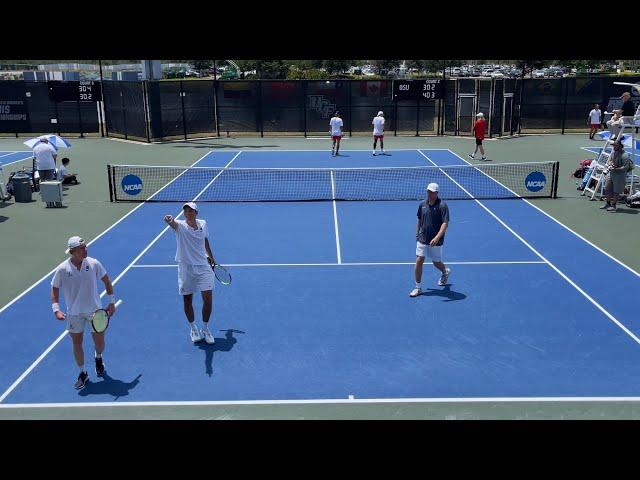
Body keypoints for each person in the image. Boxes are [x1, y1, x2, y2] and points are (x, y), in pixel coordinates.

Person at [50, 236, 117, 390]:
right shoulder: (62, 269)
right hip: (74, 314)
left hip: (95, 313)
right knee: (77, 343)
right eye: (82, 248)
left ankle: (98, 357)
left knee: (99, 344)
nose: (86, 249)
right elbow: (54, 287)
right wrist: (56, 309)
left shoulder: (94, 263)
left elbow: (107, 280)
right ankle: (82, 373)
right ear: (72, 251)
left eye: (86, 247)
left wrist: (112, 302)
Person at [164, 202, 217, 344]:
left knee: (208, 300)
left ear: (196, 213)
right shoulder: (179, 226)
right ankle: (193, 328)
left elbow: (205, 241)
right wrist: (169, 220)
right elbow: (172, 223)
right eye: (185, 211)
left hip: (203, 267)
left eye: (191, 211)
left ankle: (205, 328)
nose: (188, 213)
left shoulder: (203, 224)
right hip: (186, 268)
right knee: (187, 300)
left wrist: (212, 258)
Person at [410, 183, 451, 298]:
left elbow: (445, 223)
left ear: (437, 193)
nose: (430, 193)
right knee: (419, 260)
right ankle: (418, 287)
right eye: (429, 191)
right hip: (422, 238)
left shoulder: (443, 206)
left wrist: (437, 237)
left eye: (432, 192)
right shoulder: (422, 204)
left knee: (436, 262)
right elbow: (419, 219)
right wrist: (417, 233)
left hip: (436, 241)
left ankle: (445, 271)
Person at [600, 141, 631, 212]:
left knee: (616, 191)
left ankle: (614, 205)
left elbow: (625, 167)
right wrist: (610, 164)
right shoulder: (614, 152)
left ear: (620, 146)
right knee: (607, 188)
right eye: (613, 145)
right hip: (611, 174)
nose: (614, 147)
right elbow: (610, 160)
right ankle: (608, 203)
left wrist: (615, 168)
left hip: (619, 175)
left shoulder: (625, 155)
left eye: (615, 146)